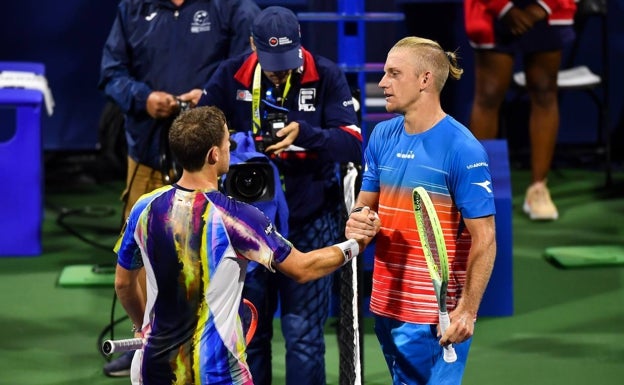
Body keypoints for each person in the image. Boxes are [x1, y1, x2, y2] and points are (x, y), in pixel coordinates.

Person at [114, 106, 380, 385]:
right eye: (227, 141)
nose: (231, 146)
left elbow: (124, 284)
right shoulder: (237, 217)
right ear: (213, 155)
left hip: (150, 370)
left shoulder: (143, 207)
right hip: (217, 374)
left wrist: (140, 325)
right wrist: (355, 245)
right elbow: (303, 268)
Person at [197, 6, 363, 385]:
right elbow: (197, 138)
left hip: (311, 220)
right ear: (252, 44)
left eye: (286, 61)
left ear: (300, 42)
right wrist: (239, 148)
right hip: (246, 224)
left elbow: (353, 145)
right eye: (270, 62)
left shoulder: (326, 75)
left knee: (303, 334)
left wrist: (307, 134)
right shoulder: (229, 75)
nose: (279, 71)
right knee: (252, 335)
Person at [98, 0, 260, 376]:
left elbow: (247, 69)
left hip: (207, 161)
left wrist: (207, 97)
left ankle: (214, 343)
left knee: (214, 255)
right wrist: (143, 98)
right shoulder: (132, 9)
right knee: (141, 252)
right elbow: (111, 73)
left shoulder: (232, 7)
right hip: (147, 155)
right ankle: (144, 338)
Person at [345, 36, 497, 385]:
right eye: (384, 73)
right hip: (385, 301)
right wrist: (359, 221)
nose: (382, 82)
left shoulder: (463, 149)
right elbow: (364, 206)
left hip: (434, 315)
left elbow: (485, 239)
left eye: (394, 73)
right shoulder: (382, 135)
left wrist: (468, 310)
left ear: (425, 79)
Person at [464, 0, 577, 220]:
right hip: (492, 11)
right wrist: (503, 7)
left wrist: (543, 7)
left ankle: (538, 189)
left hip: (548, 11)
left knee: (545, 92)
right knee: (488, 96)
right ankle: (475, 193)